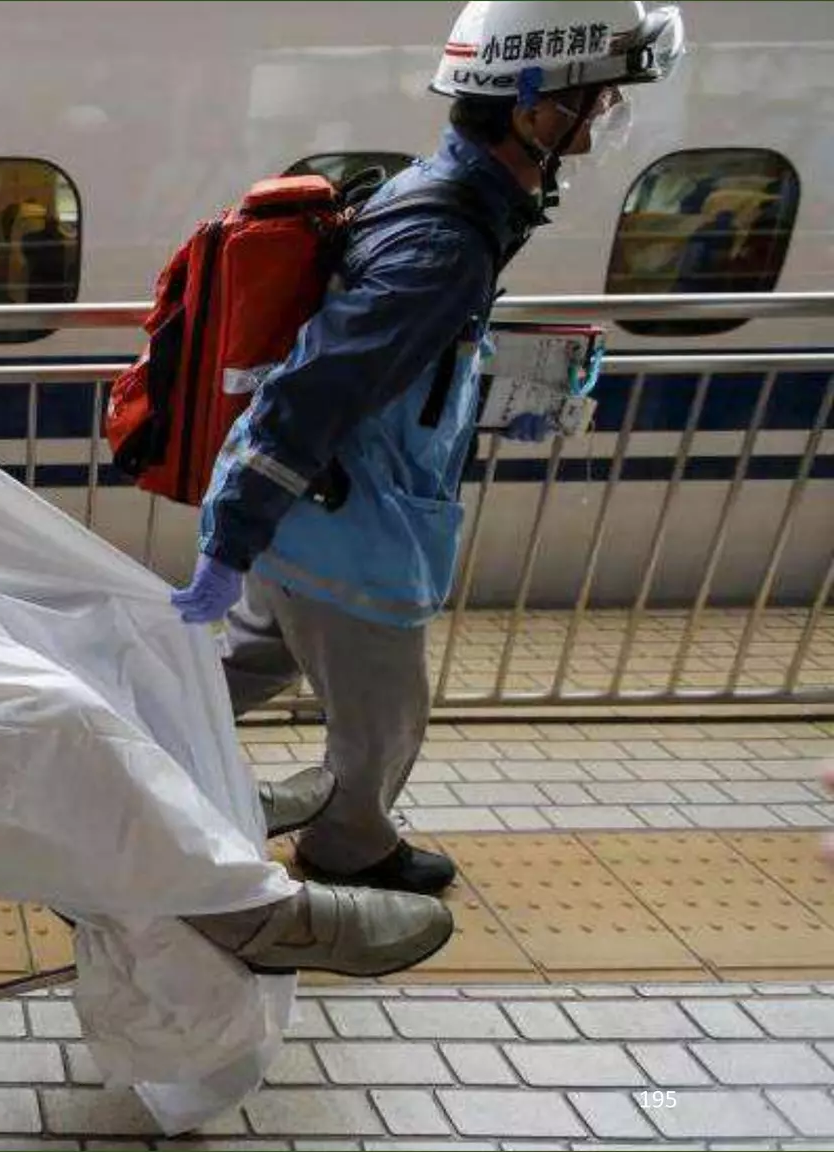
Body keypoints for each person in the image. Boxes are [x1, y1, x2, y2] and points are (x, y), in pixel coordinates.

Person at [172, 0, 686, 896]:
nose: (606, 118)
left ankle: (130, 749)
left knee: (250, 658)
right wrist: (230, 537)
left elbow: (392, 365)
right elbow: (312, 390)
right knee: (385, 714)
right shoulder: (446, 238)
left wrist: (492, 389)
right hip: (349, 530)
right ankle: (350, 847)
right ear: (531, 109)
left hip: (318, 515)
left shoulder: (441, 199)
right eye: (597, 100)